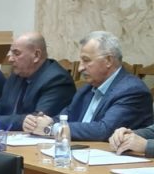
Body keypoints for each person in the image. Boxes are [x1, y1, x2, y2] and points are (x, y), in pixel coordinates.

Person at [23, 31, 153, 141]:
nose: (80, 68)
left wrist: (51, 129)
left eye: (86, 60)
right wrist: (38, 122)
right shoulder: (86, 89)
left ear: (108, 60)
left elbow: (104, 130)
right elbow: (64, 117)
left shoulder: (132, 90)